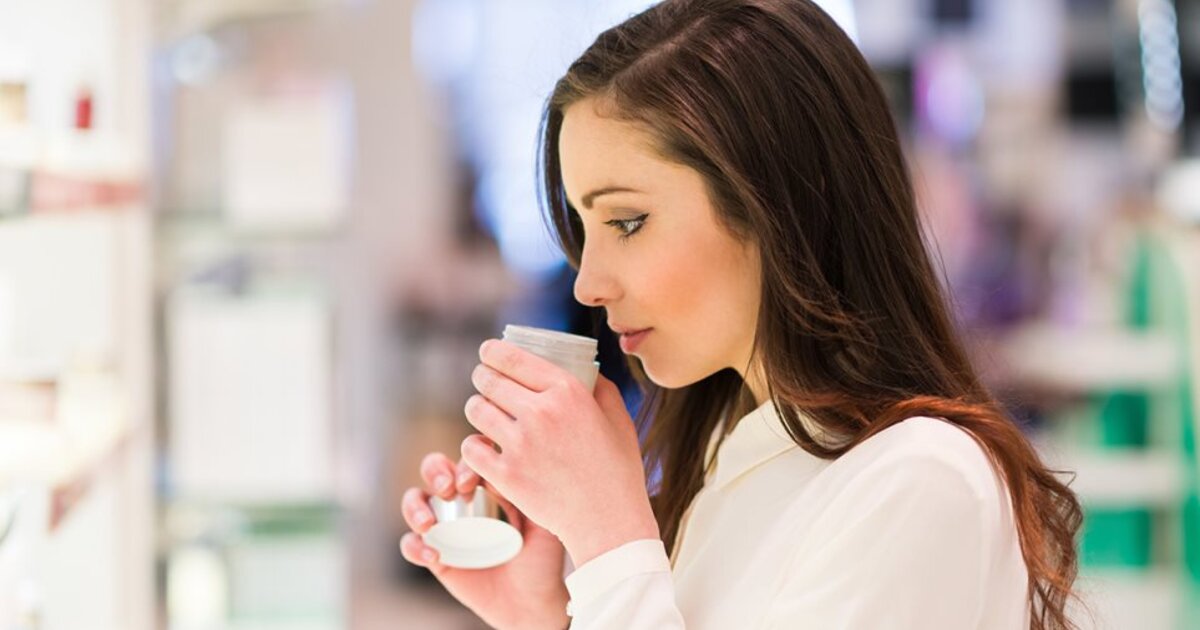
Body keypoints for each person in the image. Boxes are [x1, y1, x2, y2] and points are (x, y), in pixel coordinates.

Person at [399, 1, 1083, 628]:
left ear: (778, 202)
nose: (588, 285)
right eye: (584, 227)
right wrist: (544, 614)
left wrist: (608, 537)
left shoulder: (919, 480)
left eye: (628, 222)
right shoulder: (732, 457)